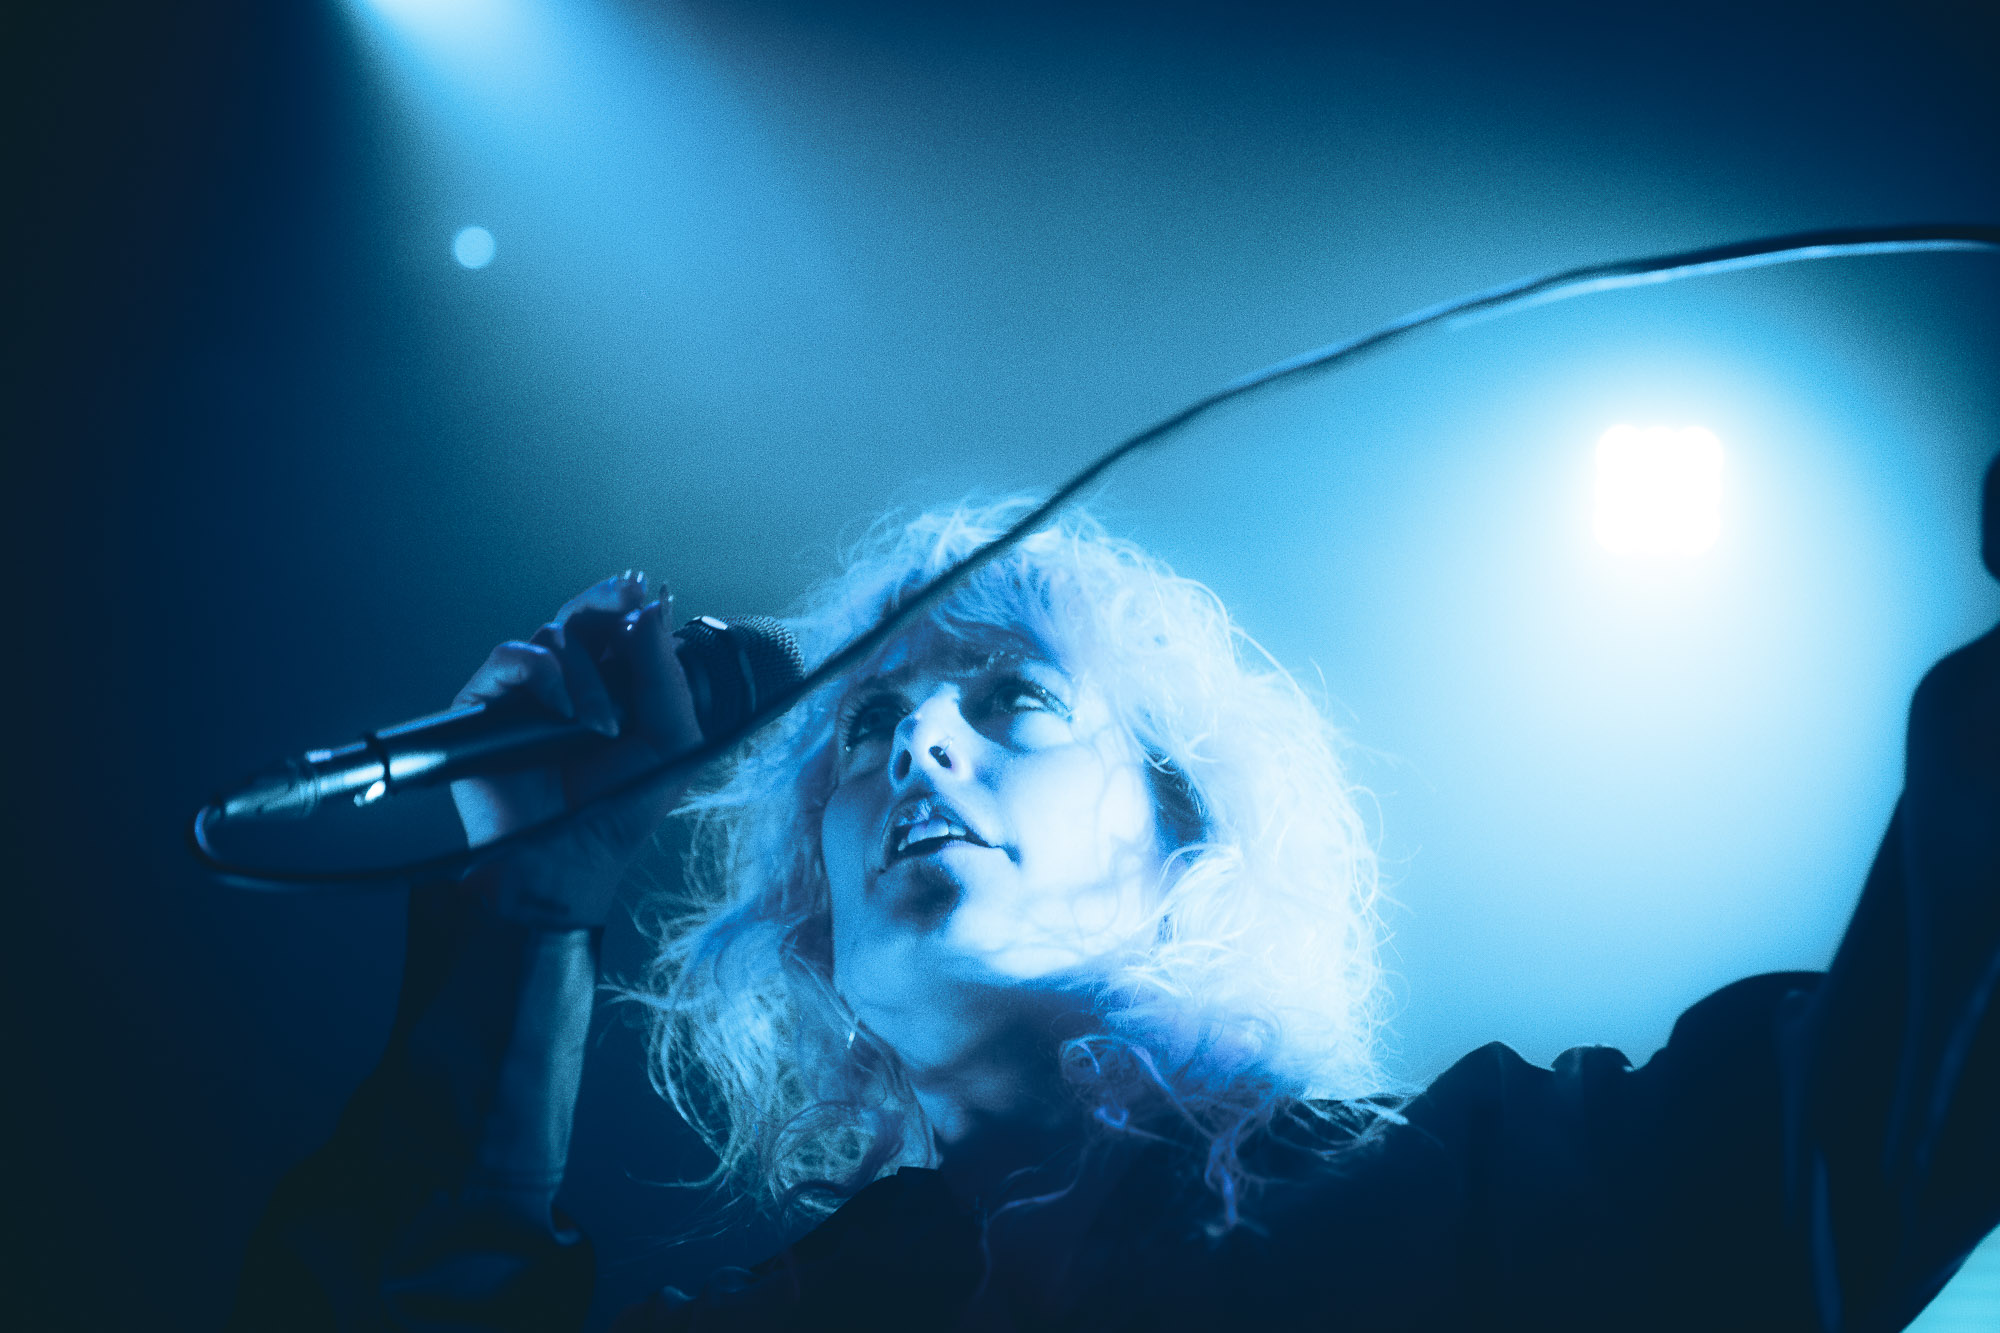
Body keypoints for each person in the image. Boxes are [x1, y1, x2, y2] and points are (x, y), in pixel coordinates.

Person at [233, 495, 2000, 1332]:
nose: (916, 738)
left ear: (1187, 829)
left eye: (1012, 699)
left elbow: (1890, 1087)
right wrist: (528, 907)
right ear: (810, 907)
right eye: (867, 722)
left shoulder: (1471, 1199)